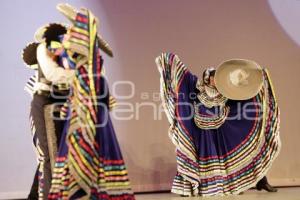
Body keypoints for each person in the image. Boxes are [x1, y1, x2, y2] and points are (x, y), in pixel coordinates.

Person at [156, 53, 280, 196]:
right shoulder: (198, 87)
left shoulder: (226, 92)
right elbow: (185, 79)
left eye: (218, 79)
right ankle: (190, 186)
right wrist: (172, 61)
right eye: (214, 78)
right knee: (194, 157)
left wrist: (260, 79)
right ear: (209, 78)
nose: (216, 81)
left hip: (221, 131)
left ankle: (254, 181)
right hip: (202, 133)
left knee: (237, 156)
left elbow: (243, 97)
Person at [48, 4, 135, 199]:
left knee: (93, 144)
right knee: (85, 145)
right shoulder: (83, 62)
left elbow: (91, 86)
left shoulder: (89, 62)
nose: (68, 35)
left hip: (91, 108)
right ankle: (81, 187)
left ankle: (89, 188)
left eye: (72, 30)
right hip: (85, 104)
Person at [23, 24, 75, 200]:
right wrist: (80, 75)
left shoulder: (66, 56)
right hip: (44, 104)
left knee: (60, 156)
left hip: (62, 106)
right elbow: (53, 75)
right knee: (46, 156)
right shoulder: (43, 51)